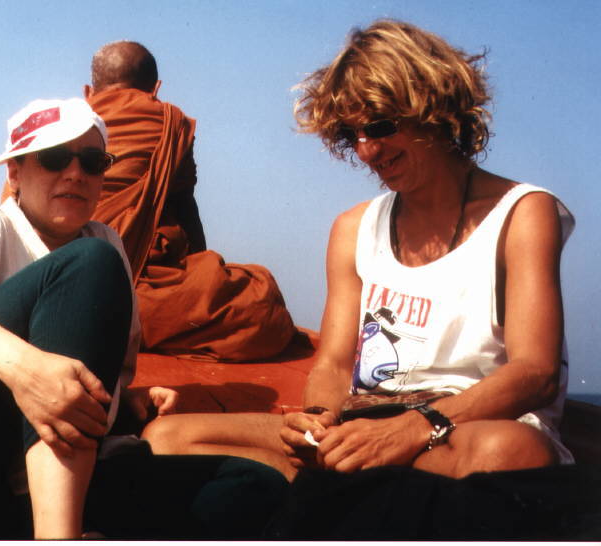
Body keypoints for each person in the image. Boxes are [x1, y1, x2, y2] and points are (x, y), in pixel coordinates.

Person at [0, 97, 289, 540]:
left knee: (251, 486)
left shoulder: (107, 242)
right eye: (55, 158)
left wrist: (124, 404)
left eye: (92, 162)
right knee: (88, 266)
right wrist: (28, 372)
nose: (75, 174)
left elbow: (76, 377)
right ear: (15, 172)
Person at [143, 19, 576, 484]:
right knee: (166, 437)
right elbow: (333, 364)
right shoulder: (354, 228)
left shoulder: (522, 212)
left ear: (433, 108)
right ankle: (346, 475)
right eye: (352, 135)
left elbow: (536, 372)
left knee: (509, 450)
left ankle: (340, 483)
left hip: (461, 427)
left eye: (380, 126)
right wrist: (317, 421)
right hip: (364, 427)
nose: (367, 151)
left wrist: (412, 429)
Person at [3, 41, 297, 361]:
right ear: (156, 88)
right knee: (260, 302)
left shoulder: (50, 130)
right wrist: (201, 272)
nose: (75, 174)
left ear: (88, 92)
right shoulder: (168, 121)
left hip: (33, 277)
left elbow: (13, 207)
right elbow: (186, 208)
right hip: (123, 286)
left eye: (94, 164)